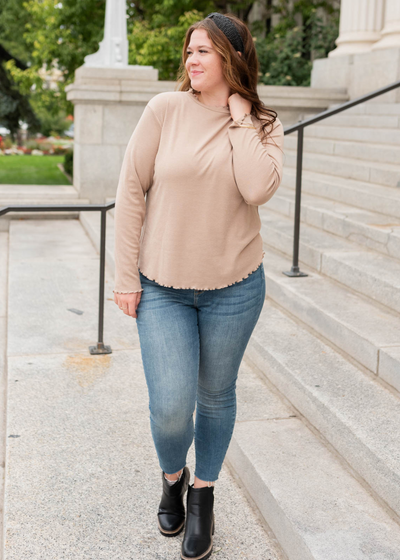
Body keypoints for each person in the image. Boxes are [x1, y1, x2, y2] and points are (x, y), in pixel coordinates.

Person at [113, 11, 284, 560]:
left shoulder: (261, 123)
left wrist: (238, 114)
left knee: (216, 397)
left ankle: (203, 494)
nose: (191, 60)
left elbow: (257, 189)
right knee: (169, 407)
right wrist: (124, 276)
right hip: (161, 285)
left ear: (232, 59)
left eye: (204, 51)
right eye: (189, 51)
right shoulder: (165, 110)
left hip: (234, 286)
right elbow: (131, 190)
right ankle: (172, 475)